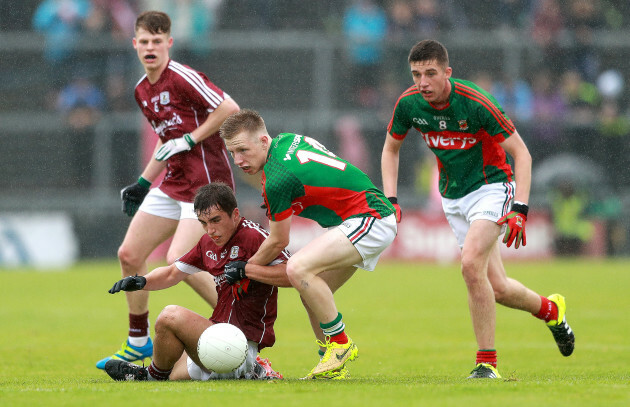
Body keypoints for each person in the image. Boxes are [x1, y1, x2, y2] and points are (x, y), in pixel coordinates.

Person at [381, 39, 575, 379]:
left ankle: (487, 363)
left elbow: (522, 154)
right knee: (496, 287)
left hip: (492, 189)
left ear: (447, 72)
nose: (422, 82)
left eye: (430, 73)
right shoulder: (409, 104)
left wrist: (521, 208)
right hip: (453, 198)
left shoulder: (475, 102)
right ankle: (551, 310)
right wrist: (391, 199)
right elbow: (390, 150)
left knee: (470, 264)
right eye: (416, 74)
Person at [96, 11, 240, 369]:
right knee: (129, 254)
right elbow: (167, 142)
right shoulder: (141, 90)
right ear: (134, 44)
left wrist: (192, 137)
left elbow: (230, 108)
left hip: (206, 184)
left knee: (179, 261)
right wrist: (144, 182)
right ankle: (138, 342)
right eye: (144, 41)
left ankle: (236, 329)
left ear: (168, 44)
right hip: (174, 181)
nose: (150, 48)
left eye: (157, 42)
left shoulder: (182, 76)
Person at [218, 109, 398, 380]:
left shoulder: (277, 178)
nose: (238, 160)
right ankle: (331, 365)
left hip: (368, 216)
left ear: (264, 141)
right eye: (232, 153)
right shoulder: (287, 140)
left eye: (243, 150)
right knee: (308, 288)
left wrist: (246, 268)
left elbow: (279, 240)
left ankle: (339, 344)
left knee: (298, 268)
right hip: (358, 216)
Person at [103, 182, 287, 381]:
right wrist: (141, 281)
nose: (210, 230)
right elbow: (173, 273)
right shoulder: (207, 243)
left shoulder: (254, 236)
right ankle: (251, 371)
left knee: (170, 317)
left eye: (216, 220)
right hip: (216, 338)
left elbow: (291, 273)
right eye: (204, 223)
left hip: (239, 343)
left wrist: (249, 270)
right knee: (171, 366)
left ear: (235, 214)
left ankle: (150, 375)